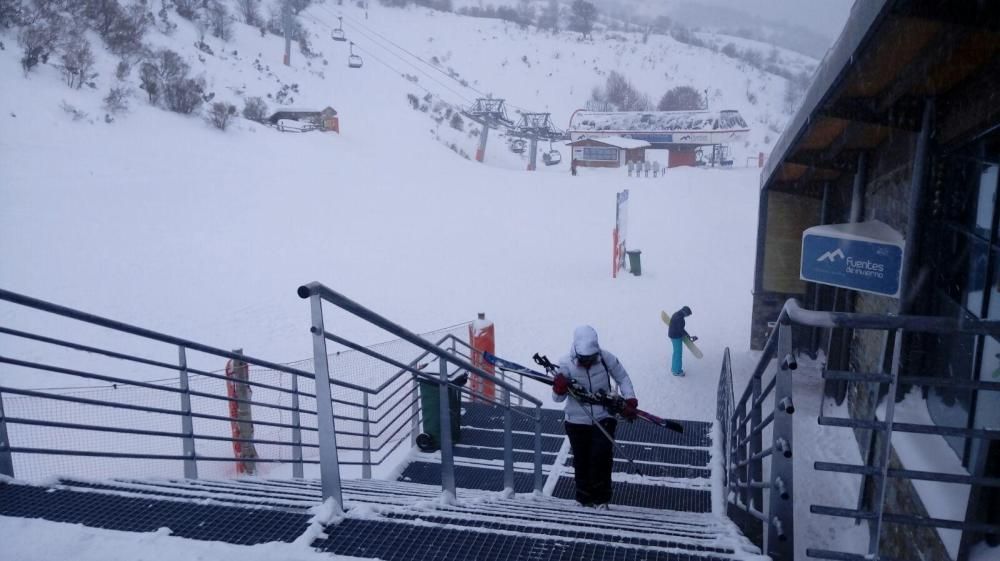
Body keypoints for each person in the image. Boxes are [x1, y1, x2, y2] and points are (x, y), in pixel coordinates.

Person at [552, 325, 638, 508]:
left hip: (604, 416)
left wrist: (630, 398)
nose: (587, 363)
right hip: (576, 420)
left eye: (591, 358)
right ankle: (583, 498)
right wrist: (558, 388)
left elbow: (622, 377)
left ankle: (602, 499)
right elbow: (557, 399)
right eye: (583, 359)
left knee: (602, 457)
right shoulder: (565, 363)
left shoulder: (606, 359)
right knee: (581, 459)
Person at [668, 306, 696, 376]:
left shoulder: (677, 314)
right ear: (685, 313)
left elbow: (680, 329)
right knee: (678, 354)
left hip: (673, 335)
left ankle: (674, 368)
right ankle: (677, 371)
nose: (687, 316)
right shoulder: (679, 318)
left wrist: (688, 336)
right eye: (688, 315)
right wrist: (689, 337)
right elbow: (681, 330)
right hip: (676, 337)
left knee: (675, 353)